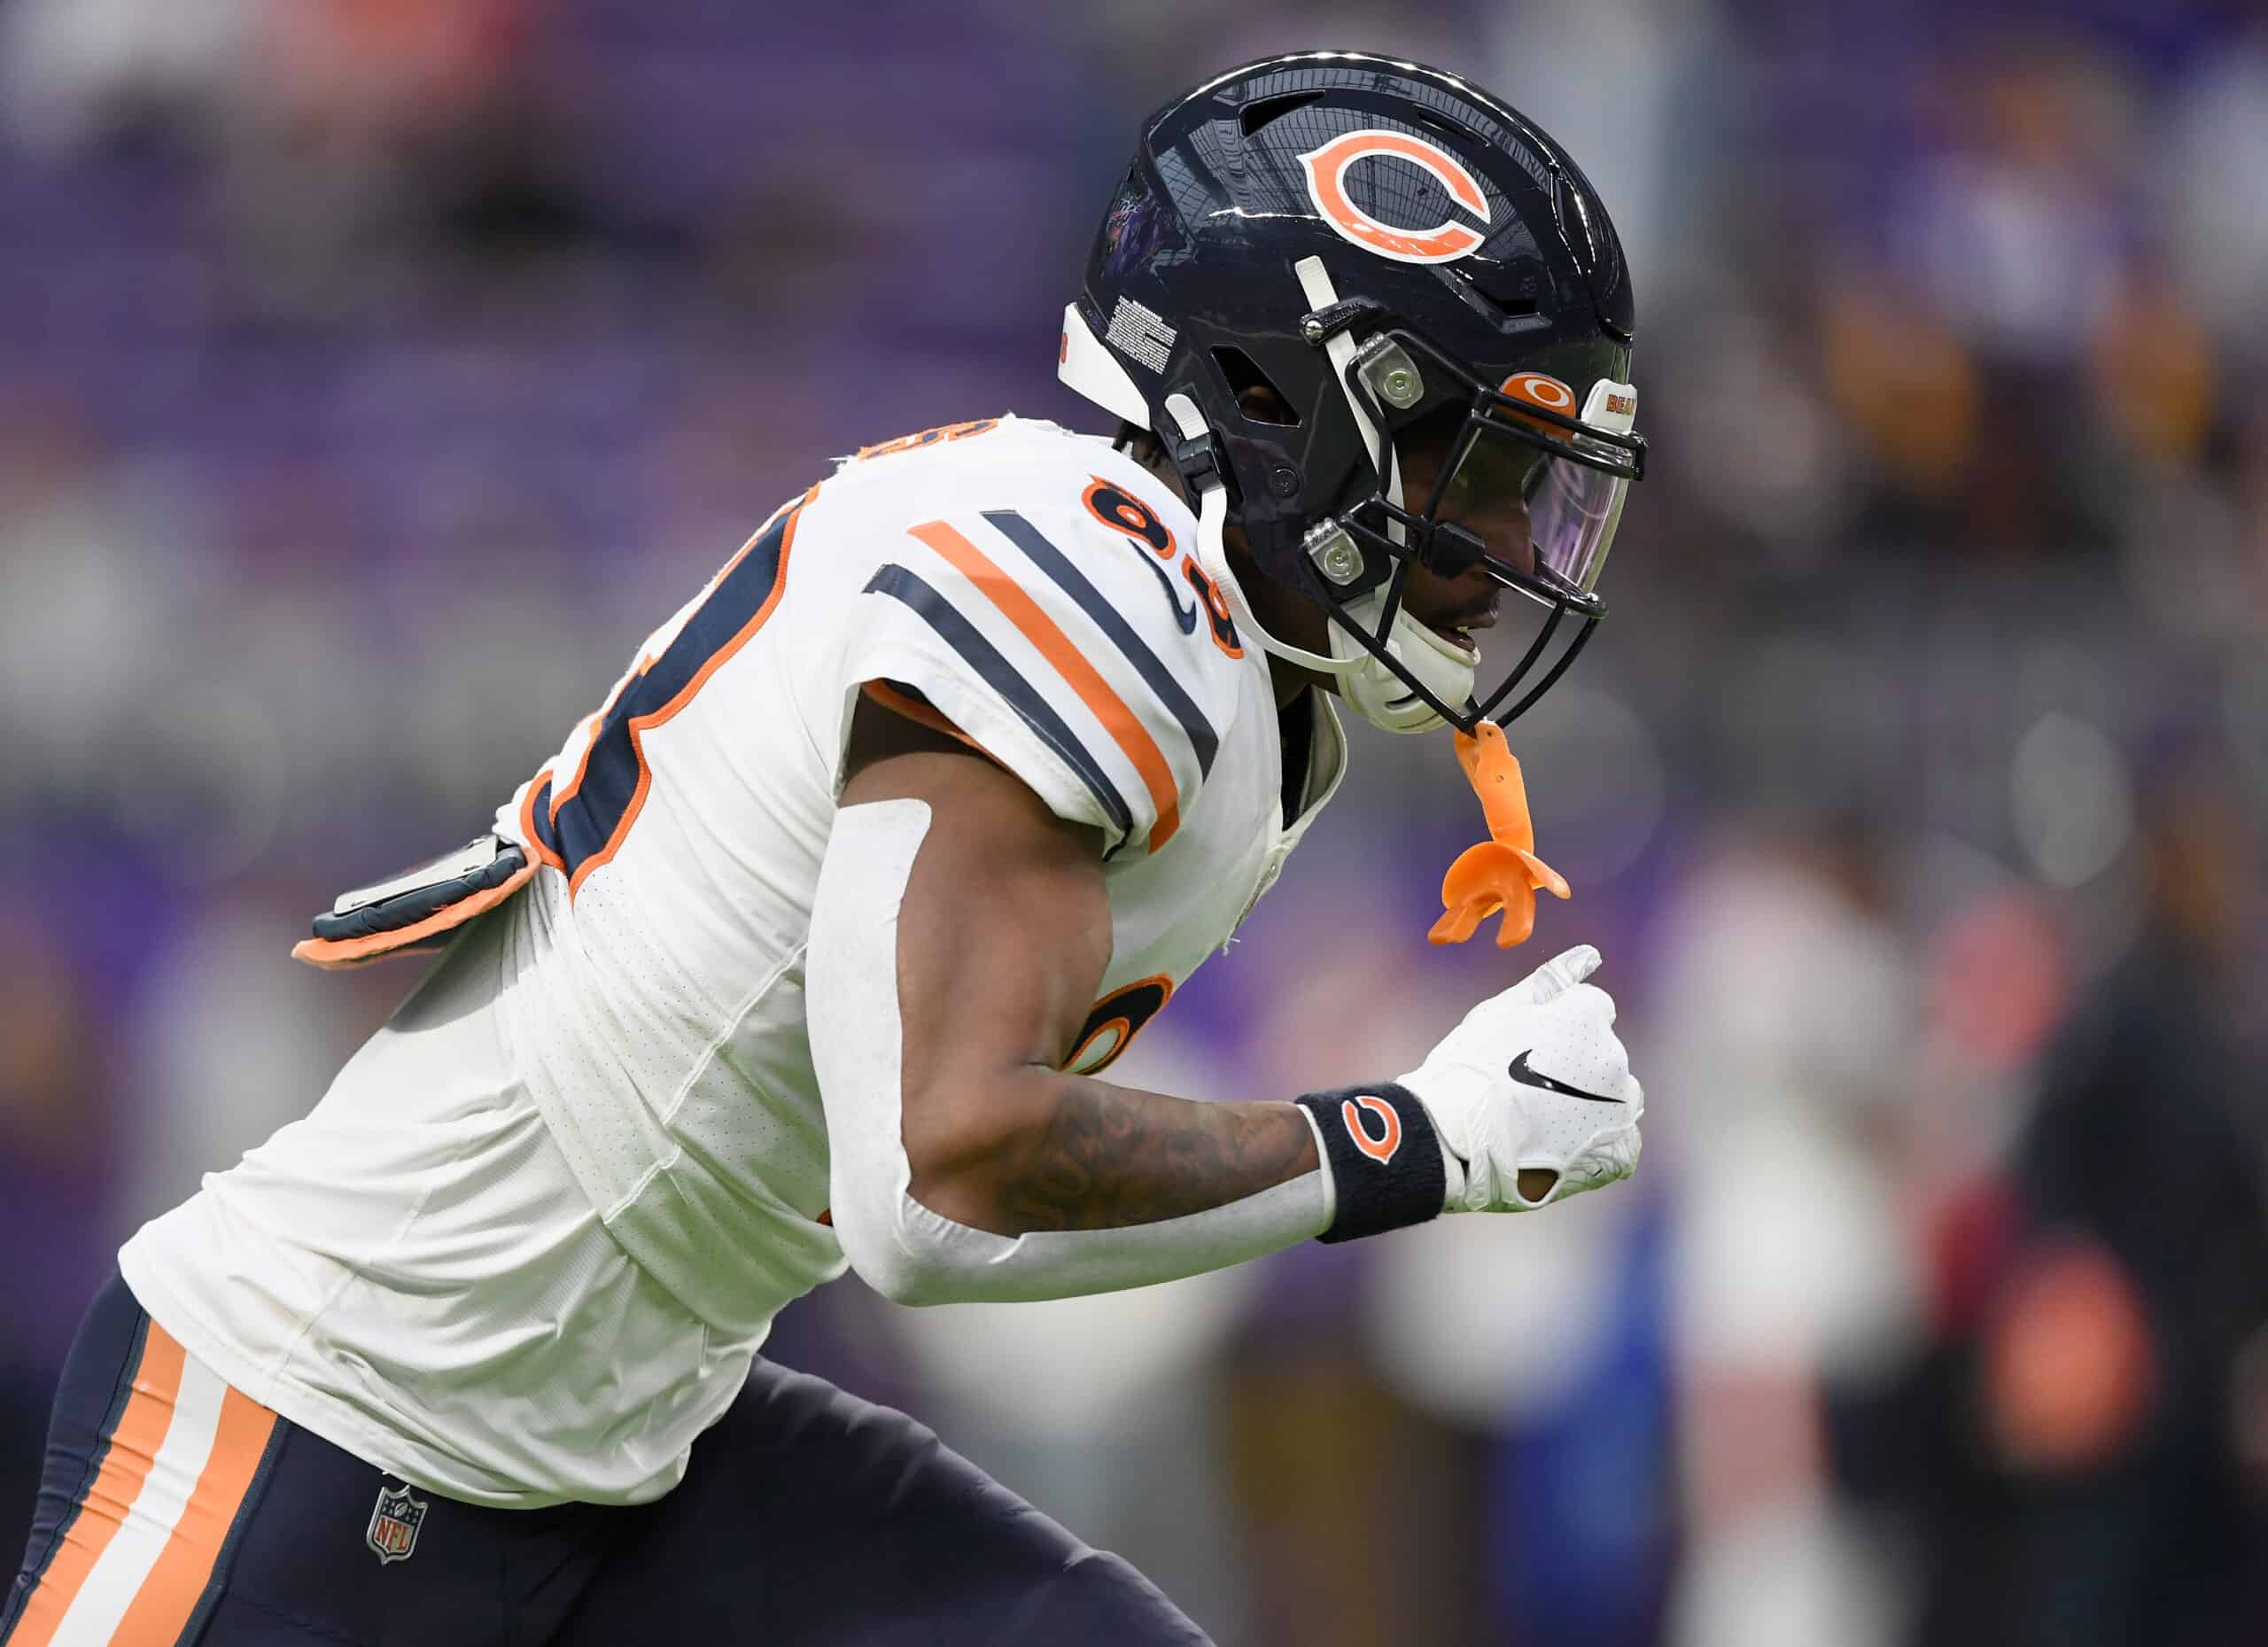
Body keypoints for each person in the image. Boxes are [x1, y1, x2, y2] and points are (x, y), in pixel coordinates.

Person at [4, 51, 1649, 1647]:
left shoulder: (1216, 644)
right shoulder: (1105, 593)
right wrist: (1410, 1142)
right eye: (1484, 466)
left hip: (626, 1440)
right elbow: (939, 1186)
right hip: (328, 1415)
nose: (1509, 549)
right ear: (1280, 394)